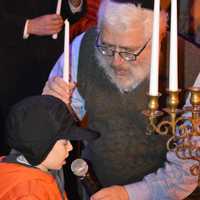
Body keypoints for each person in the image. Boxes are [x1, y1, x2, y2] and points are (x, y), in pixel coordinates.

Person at [43, 0, 200, 199]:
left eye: (128, 52)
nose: (116, 62)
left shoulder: (193, 67)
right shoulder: (83, 46)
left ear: (156, 38)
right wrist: (52, 104)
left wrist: (129, 194)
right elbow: (62, 118)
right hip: (93, 185)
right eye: (107, 47)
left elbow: (187, 169)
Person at [0, 0, 86, 154]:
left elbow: (64, 15)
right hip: (10, 71)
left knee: (52, 130)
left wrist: (74, 3)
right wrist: (27, 26)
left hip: (51, 67)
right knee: (13, 135)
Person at [0, 95, 99, 199]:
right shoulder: (30, 193)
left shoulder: (36, 167)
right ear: (41, 147)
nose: (71, 147)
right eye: (65, 142)